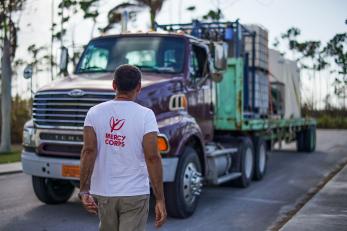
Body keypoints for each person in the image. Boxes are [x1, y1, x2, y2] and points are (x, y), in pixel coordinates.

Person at [79, 64, 167, 231]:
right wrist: (160, 199)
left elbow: (88, 151)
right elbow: (152, 157)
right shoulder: (146, 115)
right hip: (134, 194)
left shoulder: (94, 113)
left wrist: (84, 190)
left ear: (114, 85)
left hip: (104, 193)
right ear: (139, 87)